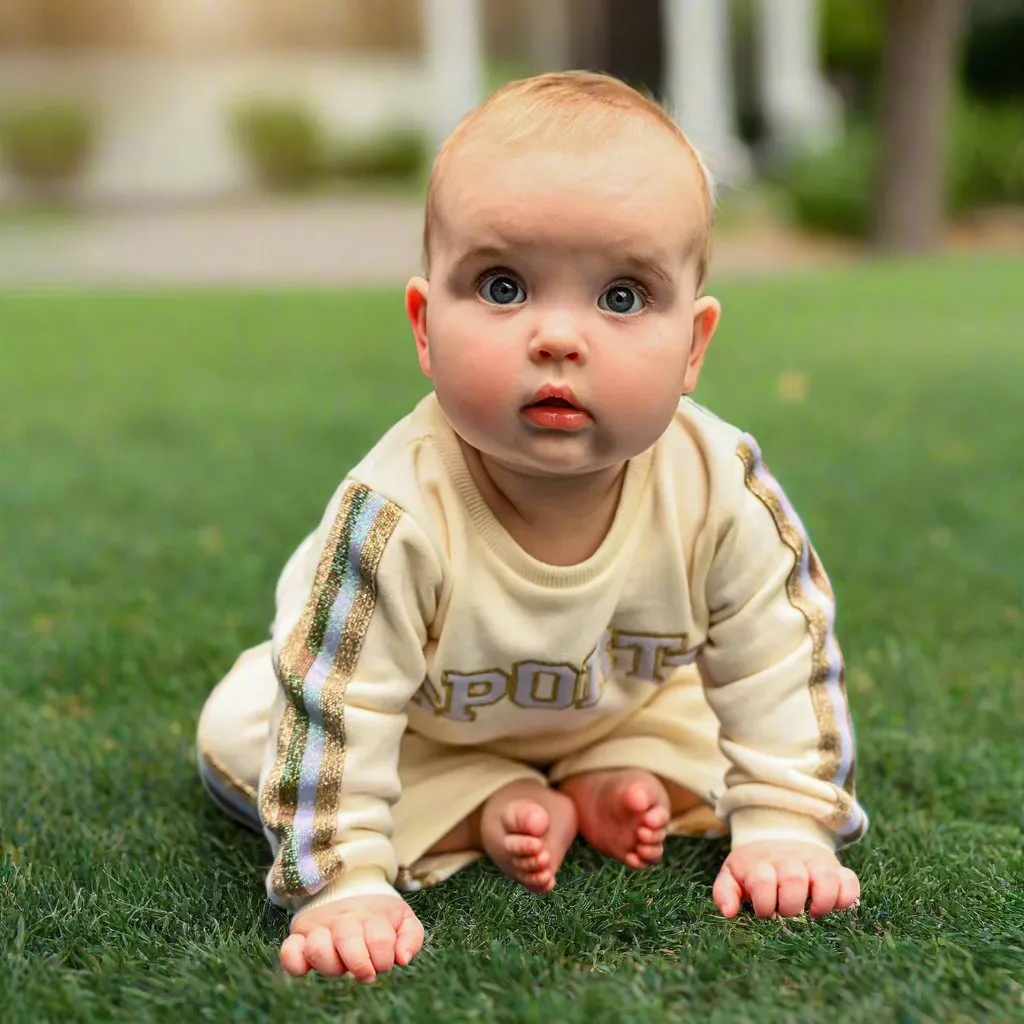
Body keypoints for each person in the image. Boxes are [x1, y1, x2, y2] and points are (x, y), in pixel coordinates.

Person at [196, 71, 868, 984]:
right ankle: (485, 800)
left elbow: (778, 653)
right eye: (504, 285)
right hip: (425, 731)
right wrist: (344, 883)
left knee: (730, 723)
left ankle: (605, 775)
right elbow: (341, 705)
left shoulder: (716, 485)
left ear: (695, 346)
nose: (558, 336)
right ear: (425, 327)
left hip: (615, 705)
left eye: (623, 297)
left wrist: (789, 822)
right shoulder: (396, 512)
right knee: (244, 727)